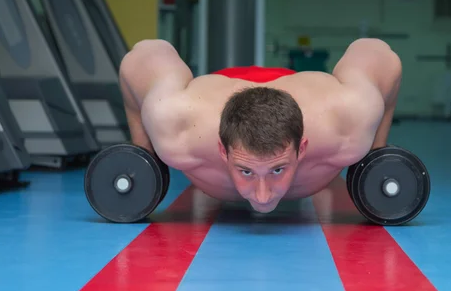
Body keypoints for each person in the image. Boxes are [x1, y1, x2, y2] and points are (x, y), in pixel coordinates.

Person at [119, 38, 402, 213]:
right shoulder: (176, 123)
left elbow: (378, 54)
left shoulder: (346, 121)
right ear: (222, 150)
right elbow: (142, 57)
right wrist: (143, 152)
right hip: (217, 90)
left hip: (301, 88)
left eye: (278, 169)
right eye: (246, 171)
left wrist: (376, 155)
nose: (263, 194)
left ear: (302, 149)